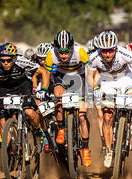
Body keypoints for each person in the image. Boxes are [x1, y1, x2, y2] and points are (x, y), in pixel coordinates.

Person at [88, 30, 132, 168]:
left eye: (111, 50)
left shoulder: (124, 53)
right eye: (104, 51)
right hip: (107, 81)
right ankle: (108, 151)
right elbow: (89, 77)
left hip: (125, 79)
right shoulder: (94, 57)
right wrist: (95, 88)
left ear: (115, 48)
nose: (107, 54)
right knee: (107, 117)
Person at [34, 30, 92, 167]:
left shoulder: (81, 52)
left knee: (83, 116)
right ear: (56, 49)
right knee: (58, 98)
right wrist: (43, 90)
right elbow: (47, 75)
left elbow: (91, 72)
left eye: (67, 52)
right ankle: (61, 128)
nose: (64, 55)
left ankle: (85, 148)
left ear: (72, 48)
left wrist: (90, 91)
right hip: (62, 78)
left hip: (80, 78)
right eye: (61, 52)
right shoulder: (51, 54)